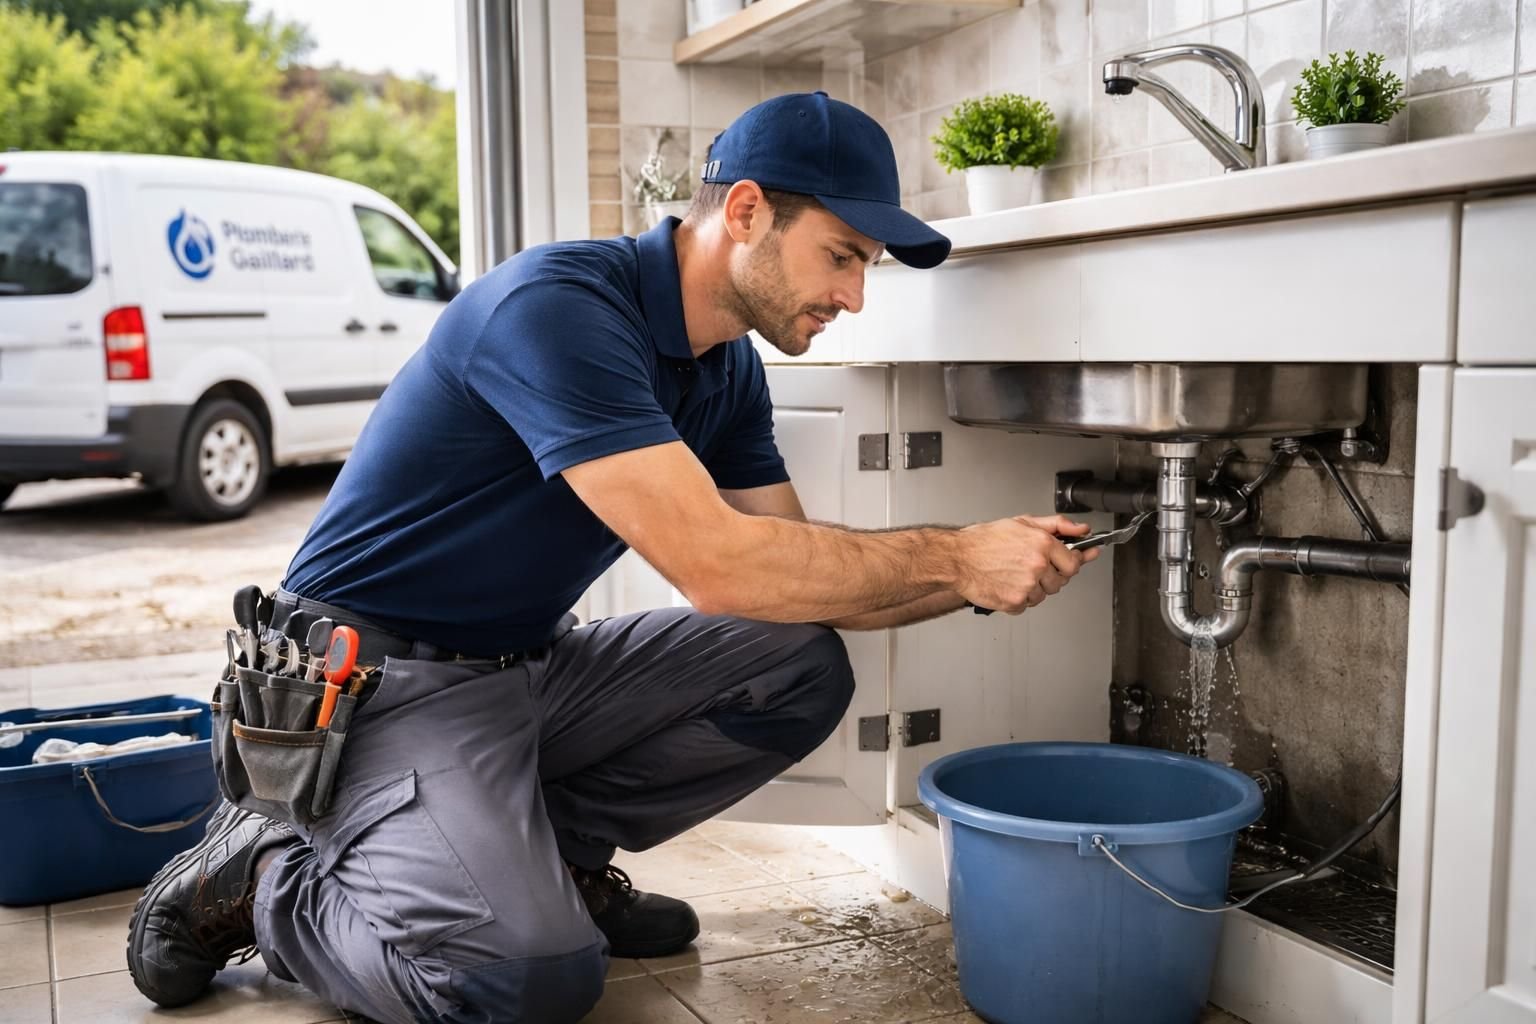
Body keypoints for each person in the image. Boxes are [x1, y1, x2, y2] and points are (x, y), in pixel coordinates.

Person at [126, 92, 1098, 1024]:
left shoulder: (726, 368)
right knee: (525, 983)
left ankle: (562, 862)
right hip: (374, 685)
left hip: (523, 669)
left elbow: (795, 576)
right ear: (749, 212)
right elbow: (724, 570)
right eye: (842, 256)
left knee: (796, 665)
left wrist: (982, 572)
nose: (852, 294)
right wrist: (958, 557)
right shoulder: (561, 309)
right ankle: (269, 882)